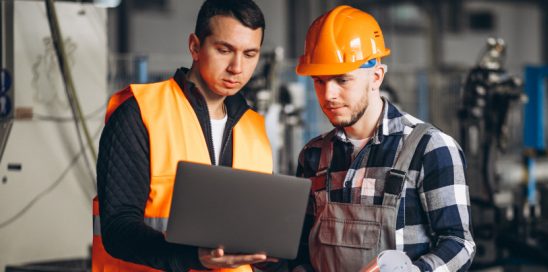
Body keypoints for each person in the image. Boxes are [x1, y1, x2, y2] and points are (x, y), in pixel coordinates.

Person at [291, 5, 475, 272]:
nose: (328, 94)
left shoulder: (430, 148)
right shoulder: (313, 154)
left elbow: (459, 243)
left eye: (342, 80)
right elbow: (302, 250)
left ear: (376, 76)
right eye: (319, 81)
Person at [92, 0, 274, 271]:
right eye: (225, 50)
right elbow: (118, 228)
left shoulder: (254, 128)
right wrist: (193, 256)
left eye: (250, 54)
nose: (237, 67)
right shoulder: (140, 113)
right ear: (195, 47)